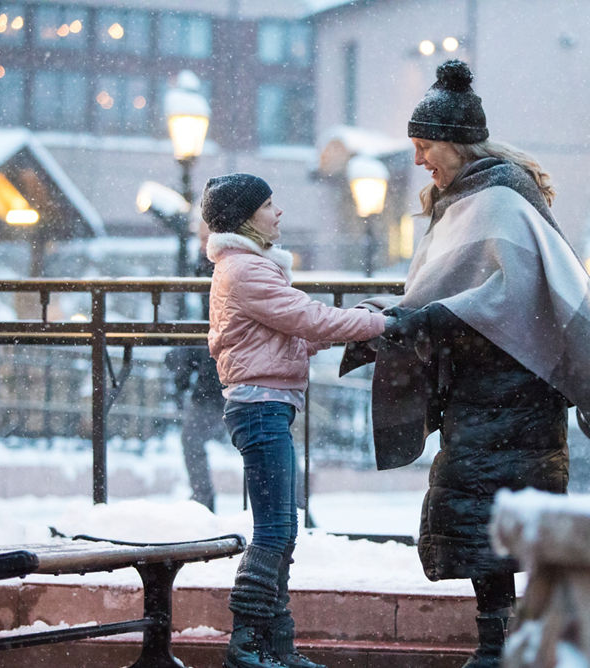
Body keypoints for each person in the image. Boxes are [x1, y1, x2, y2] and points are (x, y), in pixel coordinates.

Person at [341, 59, 590, 668]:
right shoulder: (464, 201)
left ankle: (508, 643)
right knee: (486, 513)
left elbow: (509, 294)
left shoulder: (498, 202)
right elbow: (453, 289)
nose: (418, 160)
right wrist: (405, 312)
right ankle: (502, 641)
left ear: (453, 143)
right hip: (487, 389)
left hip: (514, 388)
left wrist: (429, 319)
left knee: (495, 513)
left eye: (424, 147)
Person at [202, 173, 387, 668]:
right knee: (275, 529)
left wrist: (352, 323)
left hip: (265, 406)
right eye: (268, 204)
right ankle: (245, 644)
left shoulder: (247, 268)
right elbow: (308, 319)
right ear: (245, 219)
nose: (277, 212)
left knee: (283, 530)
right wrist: (380, 321)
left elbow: (296, 336)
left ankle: (276, 648)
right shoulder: (247, 271)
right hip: (259, 409)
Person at [165, 219, 224, 512]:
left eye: (207, 237)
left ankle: (204, 500)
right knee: (193, 438)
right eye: (200, 237)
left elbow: (207, 326)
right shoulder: (202, 267)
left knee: (261, 442)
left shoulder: (219, 268)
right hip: (214, 374)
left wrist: (185, 366)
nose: (203, 243)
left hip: (222, 374)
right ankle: (203, 500)